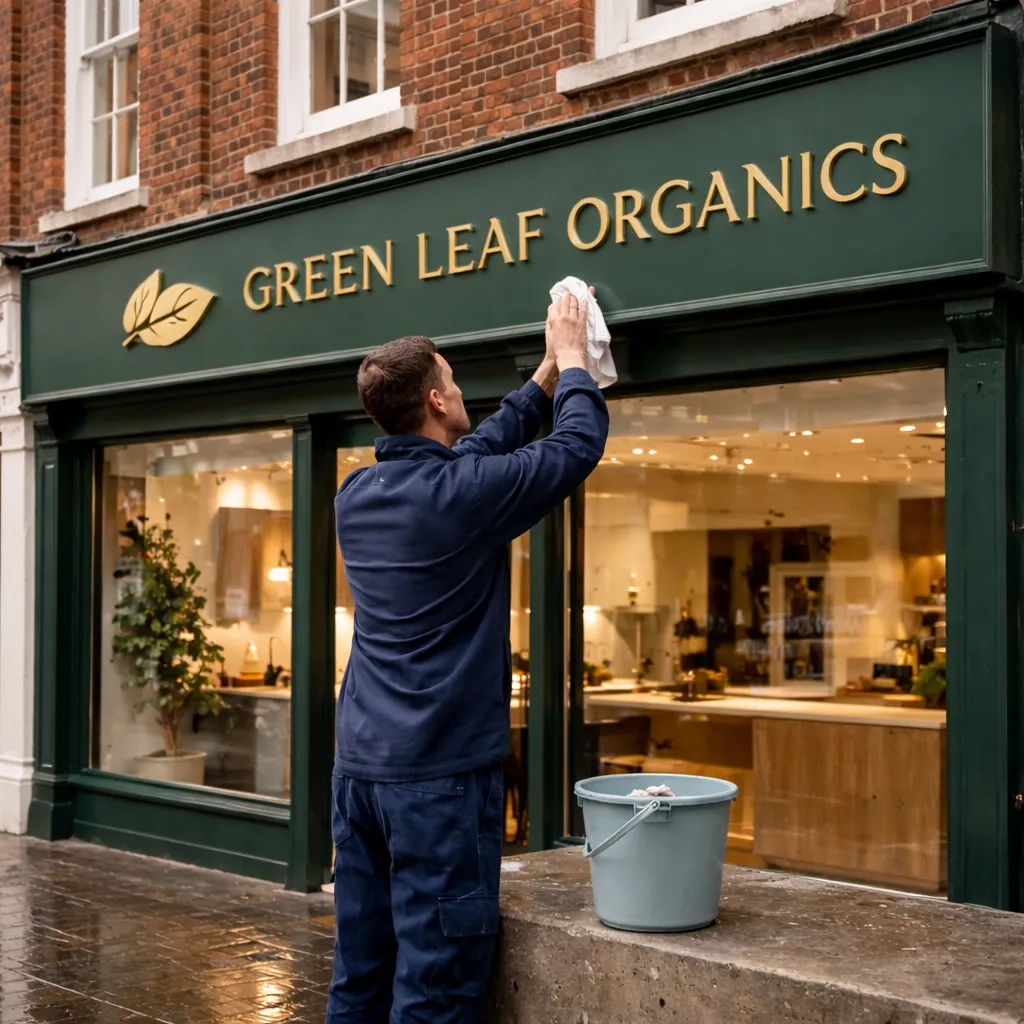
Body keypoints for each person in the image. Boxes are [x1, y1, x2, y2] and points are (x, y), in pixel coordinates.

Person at [327, 291, 609, 1023]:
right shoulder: (457, 496)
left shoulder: (358, 494)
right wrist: (576, 364)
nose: (461, 393)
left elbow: (474, 453)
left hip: (359, 775)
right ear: (433, 398)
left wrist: (543, 376)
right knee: (436, 987)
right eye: (453, 383)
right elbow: (575, 447)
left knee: (360, 976)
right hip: (437, 785)